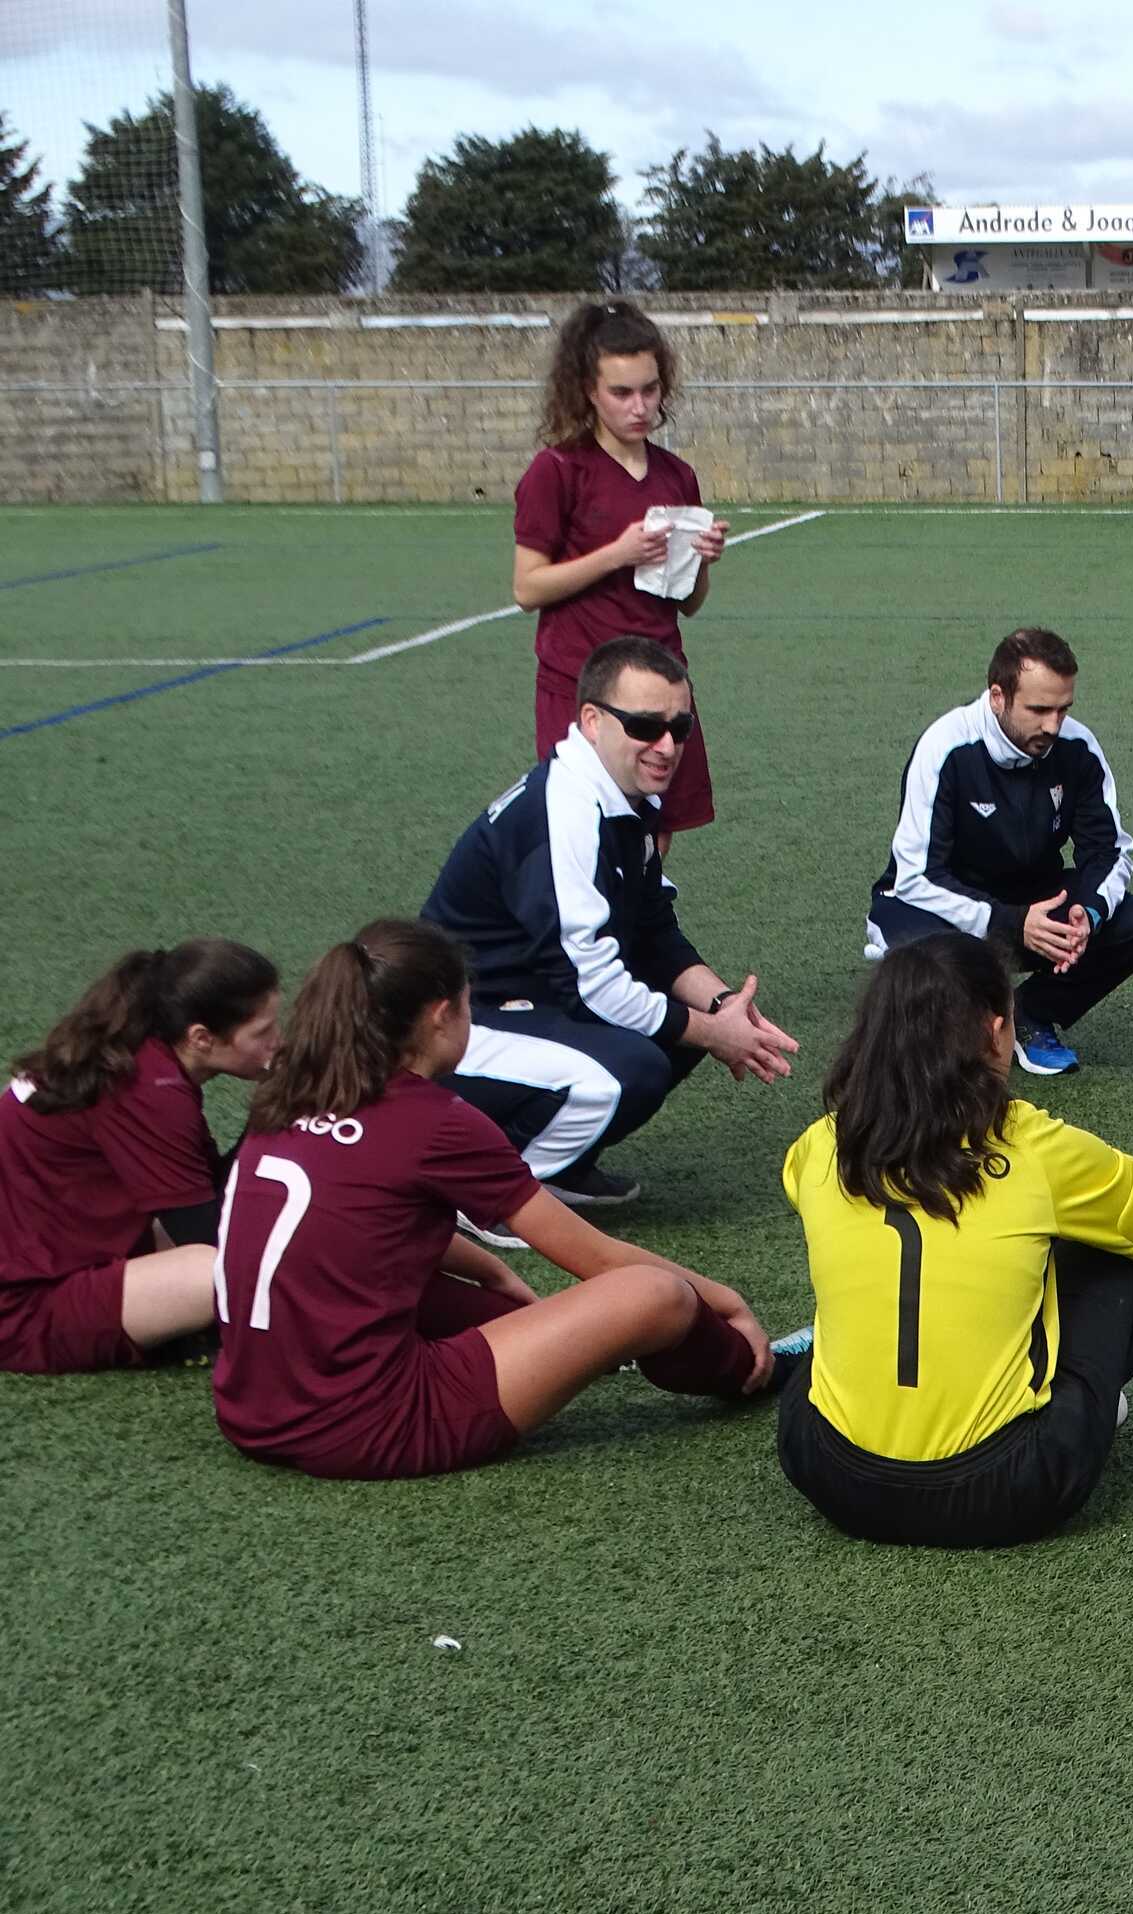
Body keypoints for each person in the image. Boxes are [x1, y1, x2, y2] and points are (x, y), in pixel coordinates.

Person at [210, 921, 777, 1483]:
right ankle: (752, 1366)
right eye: (468, 1006)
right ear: (440, 1016)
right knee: (655, 1295)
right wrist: (725, 1302)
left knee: (487, 1307)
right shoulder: (434, 1120)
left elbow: (358, 1228)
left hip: (250, 1412)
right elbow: (600, 1259)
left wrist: (491, 1269)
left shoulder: (291, 1094)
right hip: (373, 1427)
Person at [777, 932, 1133, 1547]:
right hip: (1008, 1489)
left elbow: (798, 1187)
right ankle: (1087, 1404)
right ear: (996, 1033)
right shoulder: (1032, 1146)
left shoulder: (820, 1146)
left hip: (832, 1476)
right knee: (1112, 1248)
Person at [422, 636, 799, 1228]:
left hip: (528, 1001)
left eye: (680, 727)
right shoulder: (568, 811)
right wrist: (710, 1032)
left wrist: (724, 1008)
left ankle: (559, 1165)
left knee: (675, 1027)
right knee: (634, 1066)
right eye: (645, 726)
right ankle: (487, 1192)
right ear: (593, 721)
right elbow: (589, 982)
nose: (666, 745)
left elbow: (652, 931)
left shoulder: (624, 796)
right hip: (453, 1029)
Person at [867, 628, 1133, 1078]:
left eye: (1063, 709)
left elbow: (1110, 852)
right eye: (1038, 710)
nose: (1053, 726)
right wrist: (1011, 922)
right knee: (926, 979)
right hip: (942, 905)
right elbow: (916, 876)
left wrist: (1087, 912)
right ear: (998, 697)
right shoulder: (945, 747)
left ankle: (1030, 1013)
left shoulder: (1077, 747)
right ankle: (962, 1015)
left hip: (1032, 904)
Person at [0, 942, 279, 1373]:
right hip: (22, 1311)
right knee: (232, 1267)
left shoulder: (141, 1055)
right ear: (201, 1038)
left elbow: (211, 1193)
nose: (277, 1044)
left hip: (42, 1262)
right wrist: (271, 1113)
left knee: (244, 1244)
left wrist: (264, 1117)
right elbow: (211, 1235)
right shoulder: (150, 1090)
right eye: (262, 1033)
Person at [511, 301, 728, 843]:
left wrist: (701, 559)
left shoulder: (677, 475)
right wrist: (616, 553)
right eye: (622, 392)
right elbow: (527, 587)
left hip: (661, 685)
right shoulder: (557, 470)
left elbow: (689, 603)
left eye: (650, 390)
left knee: (656, 835)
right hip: (582, 685)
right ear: (588, 390)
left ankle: (640, 905)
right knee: (584, 836)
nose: (640, 406)